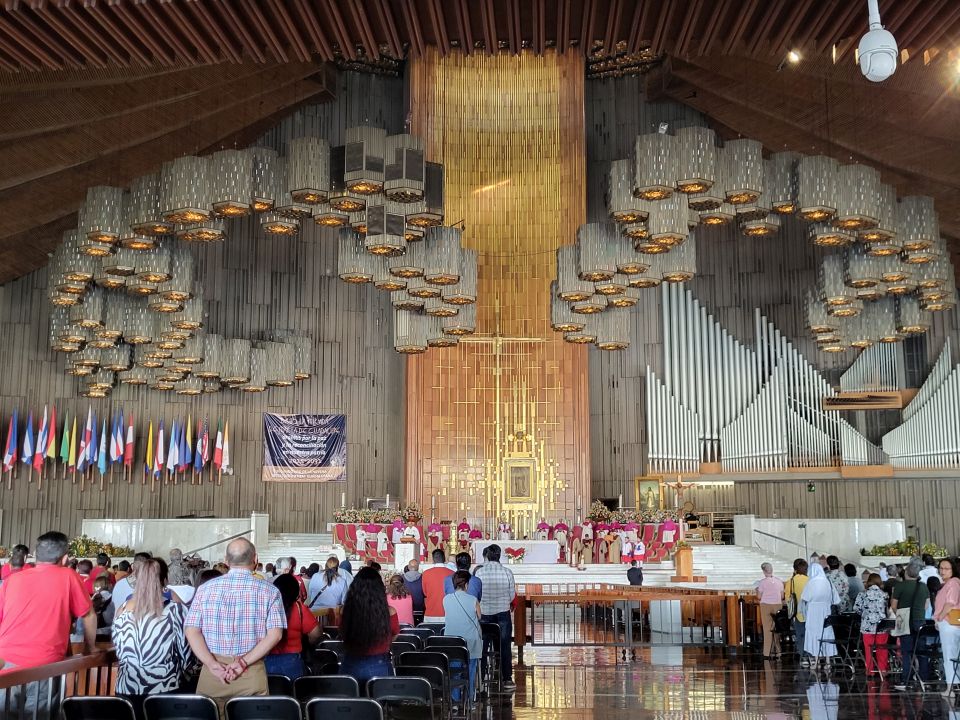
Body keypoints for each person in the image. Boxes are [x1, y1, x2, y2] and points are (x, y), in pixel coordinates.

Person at [0, 531, 96, 715]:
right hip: (44, 664)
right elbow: (89, 615)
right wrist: (91, 648)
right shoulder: (68, 576)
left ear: (35, 555)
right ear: (65, 558)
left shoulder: (12, 580)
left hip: (6, 662)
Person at [184, 538, 285, 712]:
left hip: (214, 673)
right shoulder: (270, 591)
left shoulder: (205, 589)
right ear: (255, 559)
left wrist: (211, 663)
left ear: (226, 560)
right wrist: (243, 662)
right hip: (251, 671)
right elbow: (275, 635)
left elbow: (191, 630)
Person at [113, 558, 193, 716]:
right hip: (164, 688)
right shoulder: (175, 610)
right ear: (165, 580)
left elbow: (119, 648)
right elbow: (186, 656)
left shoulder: (122, 609)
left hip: (125, 689)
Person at [340, 567, 399, 687]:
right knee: (379, 698)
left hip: (350, 662)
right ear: (380, 589)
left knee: (350, 698)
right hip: (379, 663)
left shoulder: (344, 610)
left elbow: (343, 632)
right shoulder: (390, 612)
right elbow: (394, 634)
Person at [473, 544, 516, 690]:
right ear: (499, 556)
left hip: (484, 613)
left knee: (482, 646)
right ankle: (507, 679)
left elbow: (476, 595)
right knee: (505, 646)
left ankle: (480, 679)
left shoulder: (480, 572)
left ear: (487, 556)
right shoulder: (507, 572)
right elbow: (512, 595)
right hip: (503, 612)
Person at [264, 574, 323, 681]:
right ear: (295, 591)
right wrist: (308, 642)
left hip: (265, 659)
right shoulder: (299, 608)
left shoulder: (265, 606)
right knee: (294, 690)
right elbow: (316, 633)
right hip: (292, 662)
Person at [443, 570, 482, 705]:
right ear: (466, 585)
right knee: (471, 670)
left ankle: (455, 701)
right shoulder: (473, 600)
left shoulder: (446, 599)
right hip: (471, 641)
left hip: (452, 642)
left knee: (455, 670)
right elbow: (479, 616)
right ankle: (469, 701)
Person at [892, 559, 931, 690]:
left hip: (905, 620)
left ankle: (906, 680)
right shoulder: (923, 586)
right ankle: (924, 679)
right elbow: (926, 605)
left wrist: (900, 614)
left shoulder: (900, 586)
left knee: (906, 651)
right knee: (922, 651)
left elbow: (894, 605)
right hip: (920, 620)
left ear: (906, 572)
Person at [800, 563, 840, 667]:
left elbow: (805, 598)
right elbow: (836, 600)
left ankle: (816, 661)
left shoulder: (811, 583)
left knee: (814, 634)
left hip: (813, 612)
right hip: (826, 611)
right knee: (826, 632)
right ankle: (828, 661)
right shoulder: (828, 582)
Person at [933, 556, 960, 698]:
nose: (942, 571)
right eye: (941, 568)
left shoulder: (953, 583)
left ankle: (950, 689)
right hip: (950, 623)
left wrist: (939, 617)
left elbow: (950, 603)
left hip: (949, 622)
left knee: (949, 655)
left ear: (953, 569)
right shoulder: (948, 583)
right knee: (952, 655)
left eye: (946, 568)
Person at [853, 573, 890, 676]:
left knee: (868, 649)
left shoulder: (862, 594)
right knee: (882, 648)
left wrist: (864, 614)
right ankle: (883, 670)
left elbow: (856, 608)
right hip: (881, 626)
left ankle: (870, 671)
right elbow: (887, 609)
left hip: (867, 625)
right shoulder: (884, 594)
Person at [757, 562, 784, 659]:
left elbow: (759, 597)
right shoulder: (779, 581)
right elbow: (782, 596)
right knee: (776, 628)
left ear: (764, 571)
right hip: (777, 605)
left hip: (766, 605)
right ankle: (778, 651)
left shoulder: (762, 582)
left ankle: (767, 652)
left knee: (767, 629)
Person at [785, 559, 809, 664]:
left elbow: (787, 599)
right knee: (810, 635)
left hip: (797, 613)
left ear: (795, 569)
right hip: (810, 612)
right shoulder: (809, 580)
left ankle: (804, 657)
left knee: (800, 635)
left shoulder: (790, 582)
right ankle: (812, 656)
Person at [422, 549, 455, 623]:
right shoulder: (452, 573)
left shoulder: (426, 573)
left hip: (430, 613)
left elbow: (425, 593)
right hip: (448, 613)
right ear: (444, 559)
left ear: (433, 560)